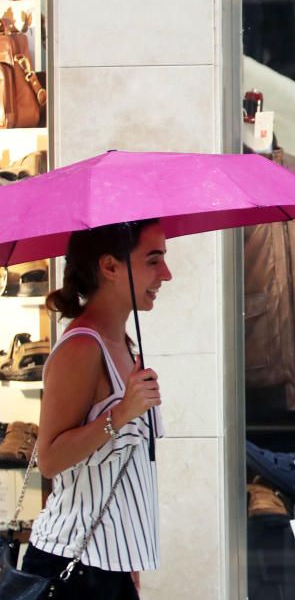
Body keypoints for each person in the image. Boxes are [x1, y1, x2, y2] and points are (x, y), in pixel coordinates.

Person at [21, 220, 171, 599]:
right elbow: (51, 460)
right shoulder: (82, 348)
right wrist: (121, 414)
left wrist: (130, 558)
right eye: (154, 260)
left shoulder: (123, 342)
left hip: (110, 564)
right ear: (110, 266)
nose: (166, 274)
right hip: (71, 567)